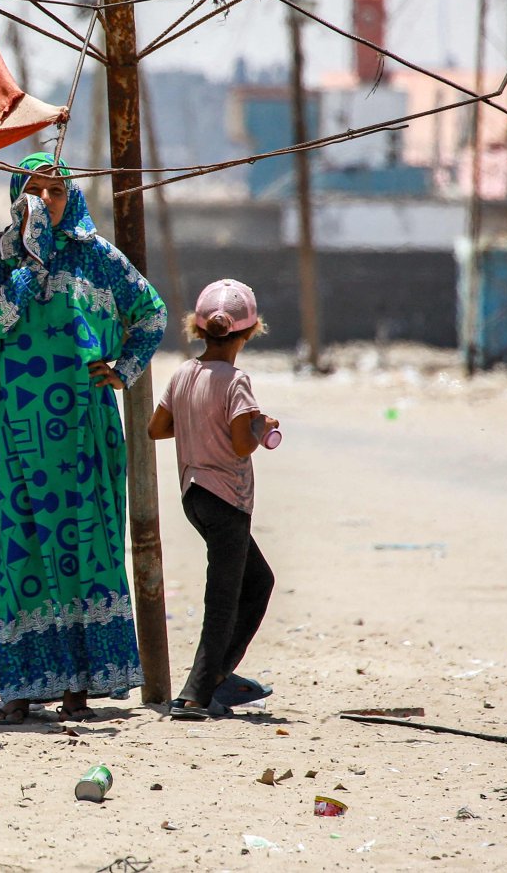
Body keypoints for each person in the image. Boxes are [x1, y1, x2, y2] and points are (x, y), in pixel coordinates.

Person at [0, 153, 167, 722]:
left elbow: (151, 315)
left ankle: (80, 686)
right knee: (17, 550)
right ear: (15, 197)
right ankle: (23, 686)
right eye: (32, 192)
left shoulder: (97, 256)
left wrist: (124, 369)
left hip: (82, 428)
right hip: (14, 430)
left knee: (85, 547)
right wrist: (31, 262)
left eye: (54, 192)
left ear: (71, 196)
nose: (44, 201)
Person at [147, 278, 279, 721]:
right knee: (223, 598)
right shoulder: (237, 381)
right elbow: (242, 446)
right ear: (250, 331)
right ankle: (196, 694)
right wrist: (259, 428)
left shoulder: (184, 373)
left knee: (257, 582)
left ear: (197, 329)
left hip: (194, 496)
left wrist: (196, 426)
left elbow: (157, 428)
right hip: (228, 499)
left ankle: (217, 677)